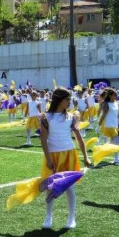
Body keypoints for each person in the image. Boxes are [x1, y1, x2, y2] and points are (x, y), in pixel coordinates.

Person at [40, 88, 91, 229]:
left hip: (69, 154)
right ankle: (48, 217)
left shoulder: (71, 117)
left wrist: (86, 156)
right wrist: (48, 159)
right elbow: (43, 140)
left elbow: (79, 138)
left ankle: (71, 218)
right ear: (59, 100)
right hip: (53, 155)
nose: (70, 102)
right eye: (67, 99)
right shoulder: (46, 117)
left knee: (70, 188)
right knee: (50, 188)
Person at [99, 88, 119, 164]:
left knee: (113, 142)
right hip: (109, 125)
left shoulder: (116, 103)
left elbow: (117, 115)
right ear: (110, 96)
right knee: (116, 141)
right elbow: (103, 115)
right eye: (115, 95)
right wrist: (99, 125)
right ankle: (116, 160)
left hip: (115, 125)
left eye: (116, 95)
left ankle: (101, 149)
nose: (116, 96)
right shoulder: (106, 104)